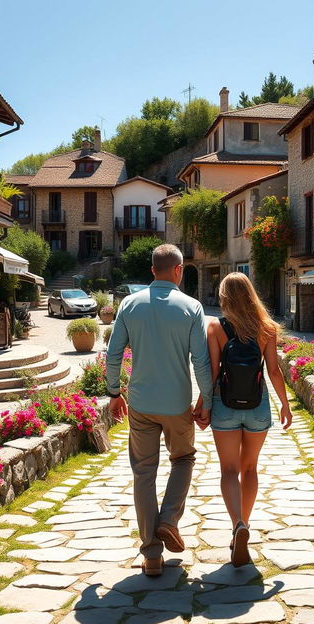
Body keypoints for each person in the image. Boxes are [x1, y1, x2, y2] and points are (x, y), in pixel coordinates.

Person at [106, 244, 212, 576]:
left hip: (140, 404)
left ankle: (151, 555)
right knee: (184, 459)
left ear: (153, 270)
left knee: (143, 474)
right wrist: (206, 397)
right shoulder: (192, 307)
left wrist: (113, 392)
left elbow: (112, 354)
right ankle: (169, 519)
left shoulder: (129, 304)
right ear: (179, 270)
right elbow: (201, 360)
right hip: (177, 403)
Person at [203, 272, 292, 567]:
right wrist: (285, 404)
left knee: (229, 470)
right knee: (249, 468)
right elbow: (275, 372)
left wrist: (203, 404)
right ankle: (246, 524)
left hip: (225, 405)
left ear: (225, 296)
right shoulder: (266, 328)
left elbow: (213, 373)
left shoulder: (216, 326)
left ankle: (237, 525)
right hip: (258, 404)